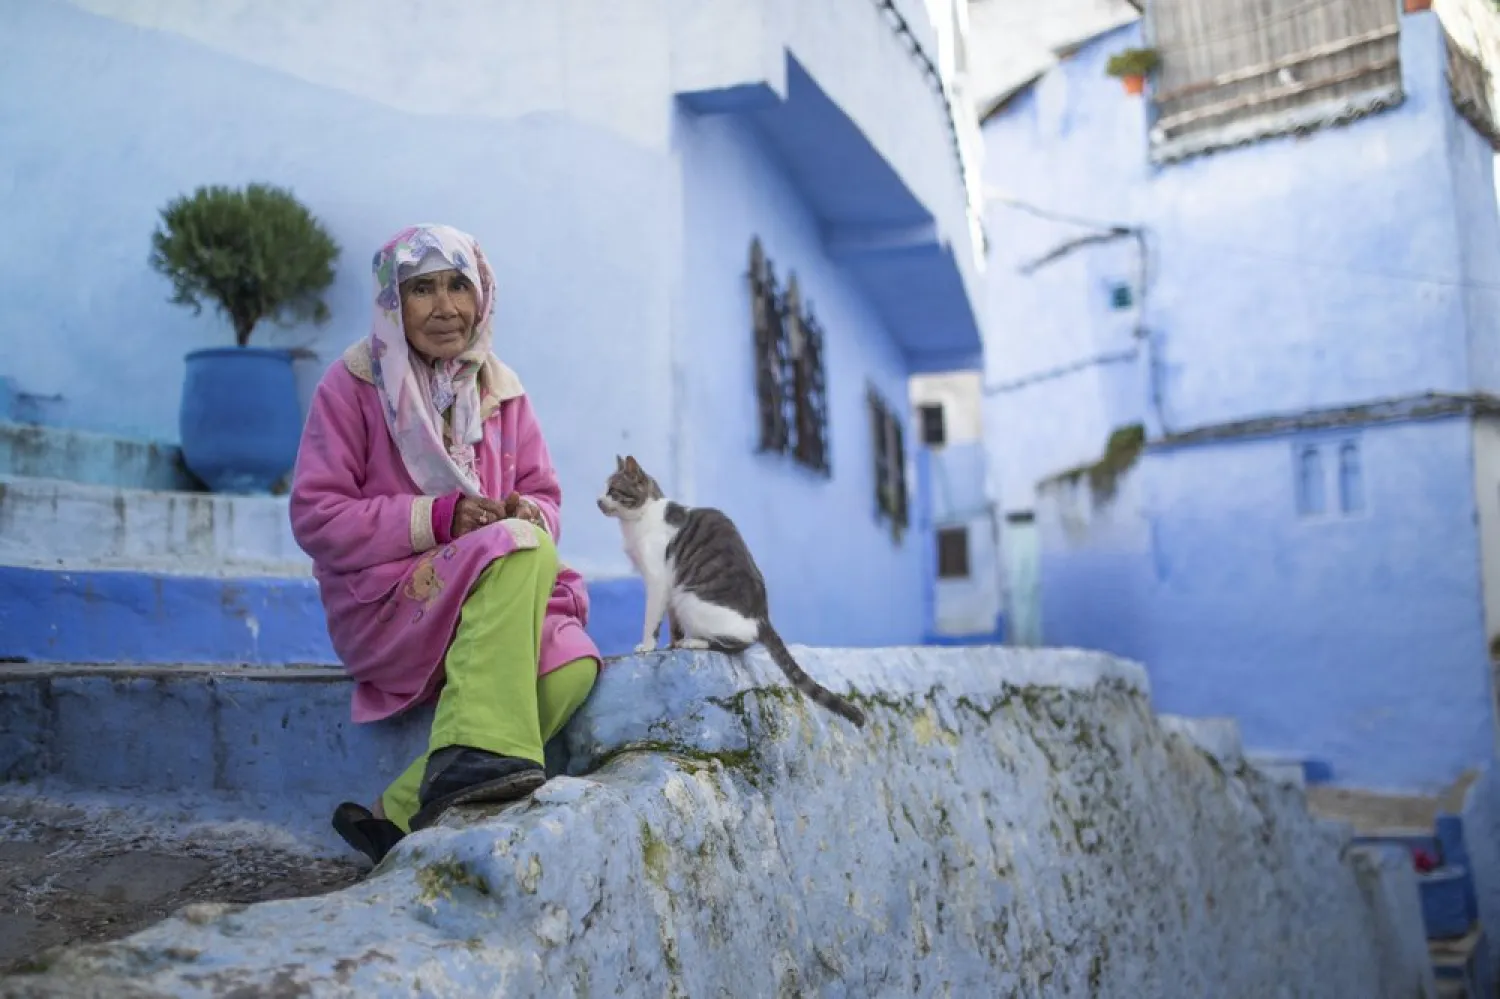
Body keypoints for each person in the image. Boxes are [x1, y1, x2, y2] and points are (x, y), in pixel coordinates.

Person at [289, 223, 601, 864]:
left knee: (572, 666)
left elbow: (545, 498)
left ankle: (399, 811)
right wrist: (439, 520)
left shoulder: (502, 393)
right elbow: (317, 517)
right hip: (389, 604)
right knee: (522, 547)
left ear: (482, 294)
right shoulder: (353, 386)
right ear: (391, 303)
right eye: (422, 289)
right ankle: (468, 768)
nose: (445, 307)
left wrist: (523, 511)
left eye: (459, 285)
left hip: (494, 596)